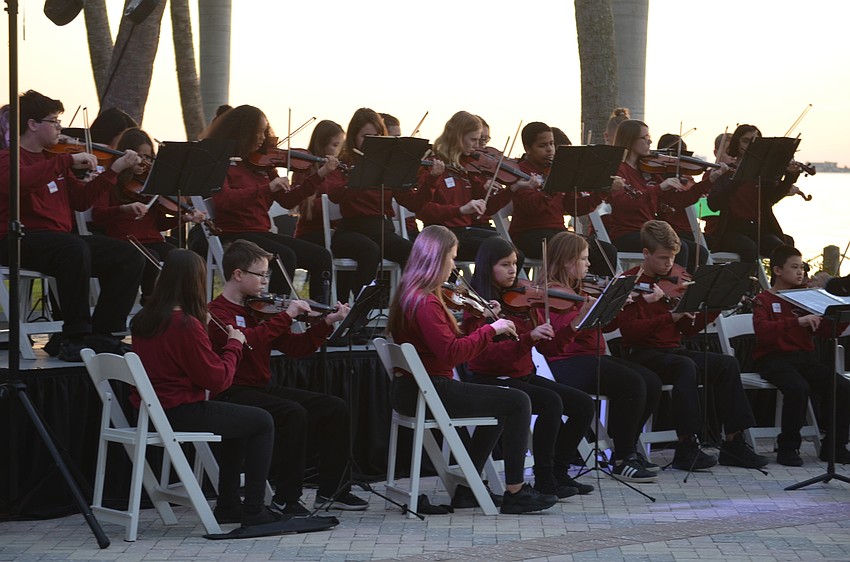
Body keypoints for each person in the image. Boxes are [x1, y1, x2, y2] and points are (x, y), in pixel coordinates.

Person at [386, 225, 558, 514]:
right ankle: (515, 492)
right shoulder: (426, 301)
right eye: (452, 258)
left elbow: (446, 342)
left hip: (413, 388)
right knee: (517, 401)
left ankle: (467, 490)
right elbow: (452, 354)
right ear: (437, 259)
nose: (454, 266)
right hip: (429, 389)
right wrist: (491, 329)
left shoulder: (410, 292)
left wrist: (473, 325)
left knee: (502, 401)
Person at [207, 239, 368, 513]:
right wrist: (287, 315)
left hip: (259, 387)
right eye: (261, 275)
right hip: (232, 390)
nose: (266, 282)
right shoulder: (217, 313)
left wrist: (325, 324)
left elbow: (296, 348)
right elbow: (248, 342)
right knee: (292, 413)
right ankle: (287, 497)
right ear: (238, 274)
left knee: (334, 407)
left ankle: (332, 490)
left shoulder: (256, 309)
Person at [130, 249, 279, 527]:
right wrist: (234, 344)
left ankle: (229, 504)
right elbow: (218, 380)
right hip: (179, 409)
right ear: (195, 281)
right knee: (262, 421)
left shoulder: (142, 319)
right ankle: (255, 510)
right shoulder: (185, 324)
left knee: (240, 418)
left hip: (153, 411)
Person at [0, 90, 145, 362]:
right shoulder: (9, 158)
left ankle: (103, 335)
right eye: (54, 121)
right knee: (73, 247)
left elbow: (80, 201)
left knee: (128, 257)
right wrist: (64, 161)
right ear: (32, 124)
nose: (60, 128)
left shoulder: (53, 160)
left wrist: (114, 170)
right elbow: (21, 181)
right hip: (17, 239)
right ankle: (74, 337)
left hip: (57, 241)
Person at [617, 220, 769, 470]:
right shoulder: (630, 281)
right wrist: (669, 316)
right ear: (646, 253)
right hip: (642, 353)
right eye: (663, 258)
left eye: (673, 258)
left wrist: (712, 307)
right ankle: (687, 446)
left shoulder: (676, 279)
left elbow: (687, 330)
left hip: (672, 351)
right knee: (685, 366)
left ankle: (734, 442)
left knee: (726, 363)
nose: (669, 265)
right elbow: (629, 332)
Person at [466, 236, 596, 495]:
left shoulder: (525, 302)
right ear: (487, 267)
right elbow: (486, 358)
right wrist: (527, 338)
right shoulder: (479, 307)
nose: (513, 270)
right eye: (504, 264)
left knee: (583, 405)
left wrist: (574, 324)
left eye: (514, 263)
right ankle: (544, 478)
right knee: (551, 402)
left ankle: (558, 472)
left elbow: (549, 348)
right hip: (493, 378)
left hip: (522, 376)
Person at [536, 231, 663, 482]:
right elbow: (561, 334)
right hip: (567, 361)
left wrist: (618, 305)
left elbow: (603, 327)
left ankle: (624, 448)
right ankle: (623, 458)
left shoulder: (577, 289)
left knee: (651, 382)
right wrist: (585, 312)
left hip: (592, 356)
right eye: (584, 259)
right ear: (567, 261)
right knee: (632, 383)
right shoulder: (553, 293)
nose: (589, 264)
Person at [201, 105, 335, 302]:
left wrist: (320, 175)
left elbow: (288, 200)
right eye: (257, 133)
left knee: (322, 256)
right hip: (235, 234)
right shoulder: (223, 164)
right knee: (285, 256)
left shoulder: (263, 164)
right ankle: (274, 316)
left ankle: (319, 316)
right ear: (243, 134)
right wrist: (266, 189)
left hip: (259, 233)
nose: (263, 137)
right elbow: (225, 201)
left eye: (265, 131)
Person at [752, 245, 850, 466]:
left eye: (802, 267)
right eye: (794, 267)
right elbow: (763, 332)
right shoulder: (764, 299)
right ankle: (788, 447)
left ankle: (835, 447)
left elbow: (827, 332)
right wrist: (796, 321)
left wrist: (841, 316)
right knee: (797, 388)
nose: (801, 272)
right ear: (777, 270)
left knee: (841, 388)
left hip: (803, 358)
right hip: (773, 359)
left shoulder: (807, 297)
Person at [328, 108, 436, 301]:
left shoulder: (389, 167)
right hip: (351, 231)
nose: (373, 142)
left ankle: (411, 309)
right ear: (354, 137)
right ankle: (361, 311)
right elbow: (335, 195)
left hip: (382, 231)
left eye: (378, 137)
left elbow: (413, 203)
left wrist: (432, 180)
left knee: (413, 253)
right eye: (367, 137)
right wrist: (363, 176)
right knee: (370, 251)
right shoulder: (344, 163)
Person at [90, 127, 206, 301]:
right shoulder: (111, 180)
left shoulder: (151, 184)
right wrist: (125, 208)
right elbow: (98, 215)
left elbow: (158, 224)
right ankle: (150, 303)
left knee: (185, 259)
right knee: (152, 258)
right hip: (125, 240)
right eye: (138, 156)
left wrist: (181, 219)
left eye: (147, 157)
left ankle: (183, 306)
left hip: (153, 240)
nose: (143, 162)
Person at [508, 121, 620, 278]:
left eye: (552, 144)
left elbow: (574, 208)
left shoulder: (557, 170)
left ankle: (596, 294)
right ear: (528, 149)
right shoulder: (520, 172)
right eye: (542, 145)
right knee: (571, 249)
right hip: (530, 235)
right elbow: (531, 207)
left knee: (607, 251)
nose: (549, 149)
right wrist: (552, 188)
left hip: (558, 233)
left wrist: (602, 193)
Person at [415, 111, 512, 262]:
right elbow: (423, 209)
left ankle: (479, 286)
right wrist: (460, 209)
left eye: (480, 140)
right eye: (473, 140)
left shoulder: (467, 167)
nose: (477, 146)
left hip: (464, 232)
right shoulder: (433, 164)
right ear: (457, 137)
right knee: (499, 252)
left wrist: (512, 189)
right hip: (440, 235)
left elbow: (488, 208)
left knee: (510, 251)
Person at [704, 124, 801, 264]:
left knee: (781, 250)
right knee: (749, 248)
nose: (750, 145)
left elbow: (772, 198)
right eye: (745, 140)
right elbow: (713, 205)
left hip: (758, 228)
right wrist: (737, 180)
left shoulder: (762, 174)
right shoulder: (723, 172)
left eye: (755, 141)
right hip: (730, 230)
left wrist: (791, 176)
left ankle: (778, 285)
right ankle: (748, 285)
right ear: (736, 143)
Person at [605, 120, 692, 270]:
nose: (650, 141)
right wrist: (659, 188)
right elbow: (625, 202)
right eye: (644, 138)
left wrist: (708, 181)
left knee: (700, 252)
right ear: (631, 141)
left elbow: (676, 201)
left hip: (649, 231)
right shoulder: (619, 169)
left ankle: (684, 289)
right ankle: (666, 288)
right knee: (680, 249)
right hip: (627, 232)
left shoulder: (646, 169)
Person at [653, 133, 730, 273]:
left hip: (691, 230)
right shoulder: (660, 181)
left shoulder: (688, 180)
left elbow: (703, 212)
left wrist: (704, 198)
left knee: (713, 244)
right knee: (694, 249)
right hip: (676, 230)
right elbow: (681, 202)